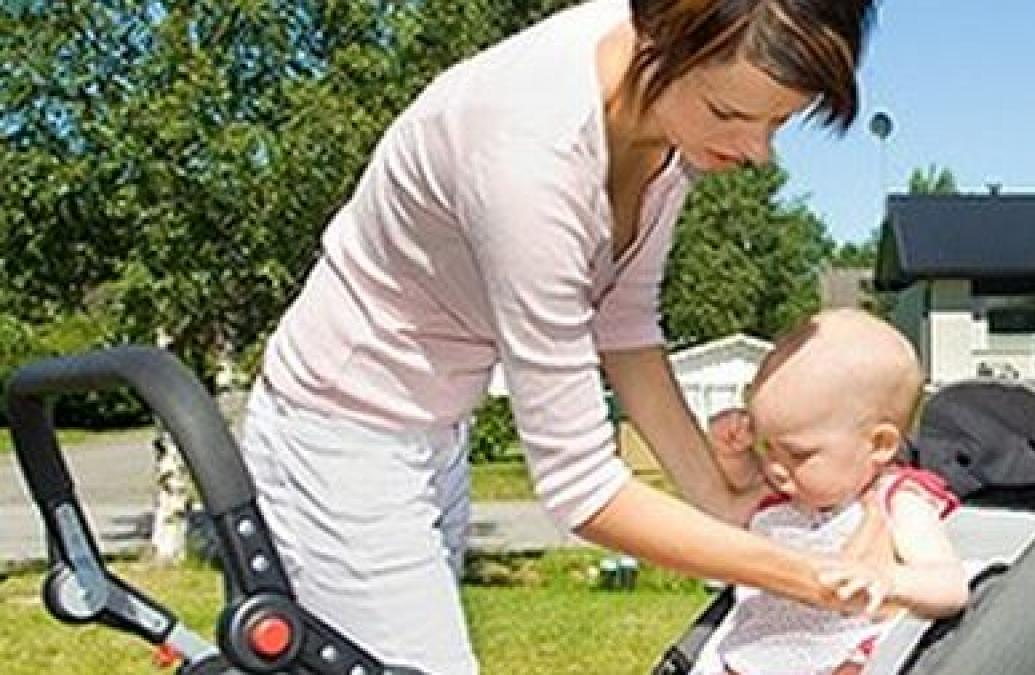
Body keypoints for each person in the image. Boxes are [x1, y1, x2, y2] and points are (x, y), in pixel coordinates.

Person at [238, 1, 879, 672]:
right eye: (729, 113)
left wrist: (722, 504)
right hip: (341, 430)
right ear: (657, 38)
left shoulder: (666, 107)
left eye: (778, 121)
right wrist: (805, 574)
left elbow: (624, 319)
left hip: (436, 425)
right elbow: (581, 486)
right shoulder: (527, 156)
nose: (757, 151)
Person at [706, 309, 969, 675]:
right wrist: (730, 454)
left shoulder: (895, 501)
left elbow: (950, 585)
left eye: (797, 454)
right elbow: (734, 503)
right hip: (756, 652)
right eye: (766, 447)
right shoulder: (787, 493)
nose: (775, 467)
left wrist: (888, 580)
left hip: (842, 655)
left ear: (878, 444)